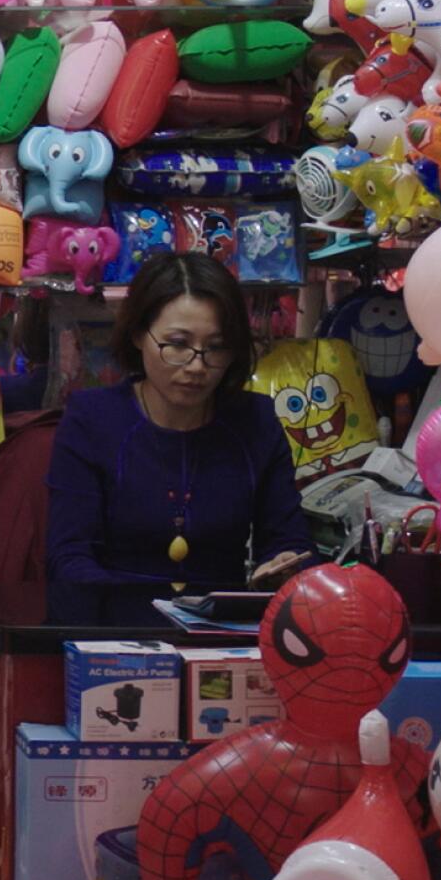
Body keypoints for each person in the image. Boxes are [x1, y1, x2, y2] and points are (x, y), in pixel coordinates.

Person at [46, 252, 313, 625]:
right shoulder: (92, 419)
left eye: (216, 347)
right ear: (139, 334)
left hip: (224, 637)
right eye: (177, 344)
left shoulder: (256, 421)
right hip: (114, 632)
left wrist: (285, 562)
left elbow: (289, 538)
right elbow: (70, 555)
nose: (197, 366)